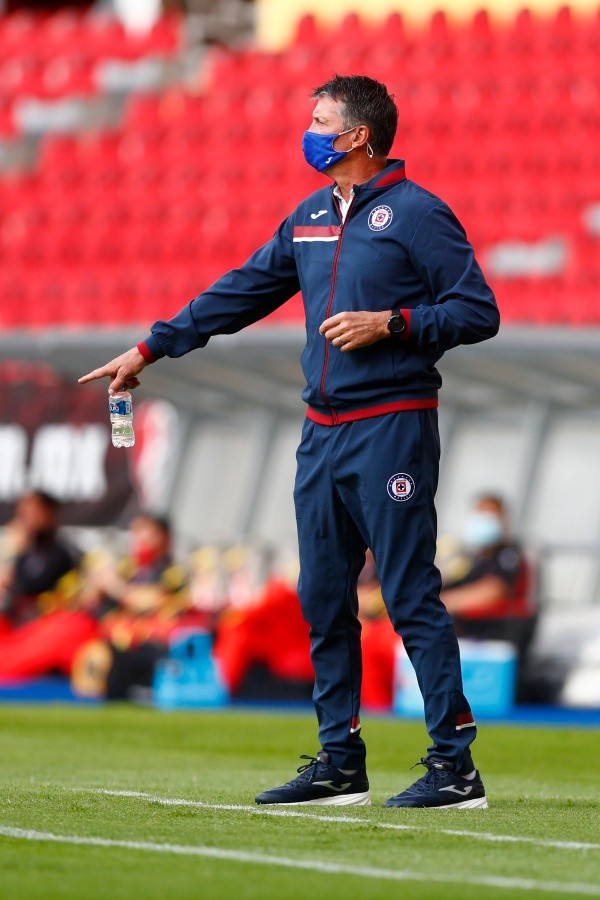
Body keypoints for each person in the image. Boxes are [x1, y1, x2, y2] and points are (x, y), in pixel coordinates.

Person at [79, 75, 500, 808]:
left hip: (390, 426)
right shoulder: (309, 215)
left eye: (320, 120)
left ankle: (454, 766)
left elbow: (477, 309)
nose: (308, 130)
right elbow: (241, 290)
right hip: (322, 432)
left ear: (357, 135)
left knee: (406, 592)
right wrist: (149, 350)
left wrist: (393, 323)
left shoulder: (417, 213)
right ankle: (340, 760)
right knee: (323, 597)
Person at [440, 493, 538, 662]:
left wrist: (445, 602)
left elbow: (494, 590)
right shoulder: (473, 559)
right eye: (479, 514)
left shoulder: (510, 555)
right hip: (466, 638)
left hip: (494, 642)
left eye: (489, 515)